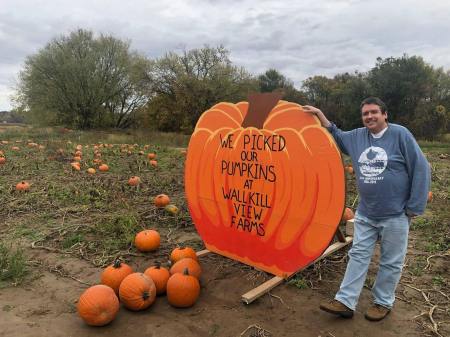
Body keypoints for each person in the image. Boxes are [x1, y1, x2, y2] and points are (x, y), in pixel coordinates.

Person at [303, 97, 431, 321]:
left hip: (396, 214)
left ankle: (382, 302)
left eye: (374, 112)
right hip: (366, 213)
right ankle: (345, 301)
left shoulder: (400, 135)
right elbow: (336, 134)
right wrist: (320, 115)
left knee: (391, 261)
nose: (369, 117)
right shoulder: (357, 137)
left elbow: (421, 168)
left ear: (385, 114)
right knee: (358, 255)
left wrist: (415, 206)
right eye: (365, 114)